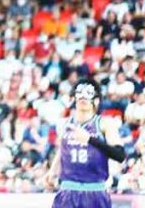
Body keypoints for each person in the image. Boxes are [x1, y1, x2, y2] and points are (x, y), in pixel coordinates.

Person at [45, 80, 125, 208]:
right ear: (74, 98)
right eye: (80, 94)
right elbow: (63, 150)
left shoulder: (105, 124)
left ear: (96, 100)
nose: (83, 98)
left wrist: (90, 140)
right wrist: (52, 172)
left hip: (95, 190)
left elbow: (120, 155)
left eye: (88, 95)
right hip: (68, 190)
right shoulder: (64, 124)